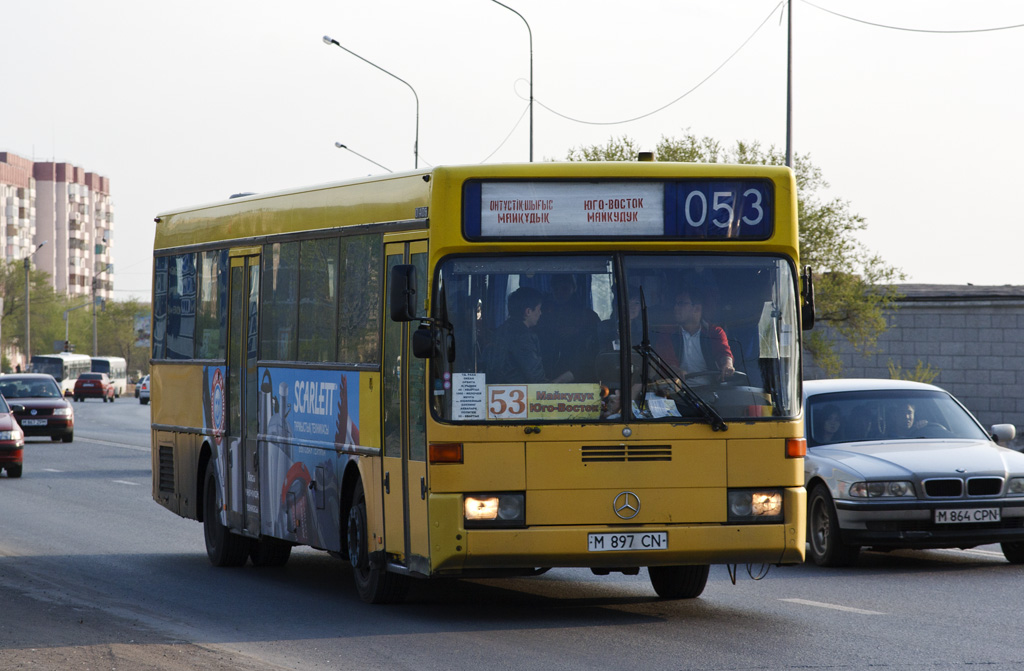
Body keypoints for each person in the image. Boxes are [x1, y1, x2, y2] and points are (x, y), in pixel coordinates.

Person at [485, 287, 573, 385]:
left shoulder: (501, 330)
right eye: (539, 309)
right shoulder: (523, 337)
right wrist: (564, 378)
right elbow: (537, 381)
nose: (540, 313)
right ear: (528, 312)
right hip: (518, 395)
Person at [654, 287, 735, 382]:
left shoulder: (715, 332)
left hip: (711, 389)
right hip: (680, 391)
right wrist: (676, 371)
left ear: (697, 309)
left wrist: (727, 365)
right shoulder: (667, 332)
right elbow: (666, 361)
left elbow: (724, 353)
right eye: (675, 304)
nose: (675, 308)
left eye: (681, 304)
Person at [536, 275, 602, 381]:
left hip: (580, 371)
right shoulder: (542, 314)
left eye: (565, 288)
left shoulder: (588, 315)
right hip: (547, 367)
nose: (560, 293)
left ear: (574, 288)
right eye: (556, 289)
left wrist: (577, 332)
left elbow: (597, 346)